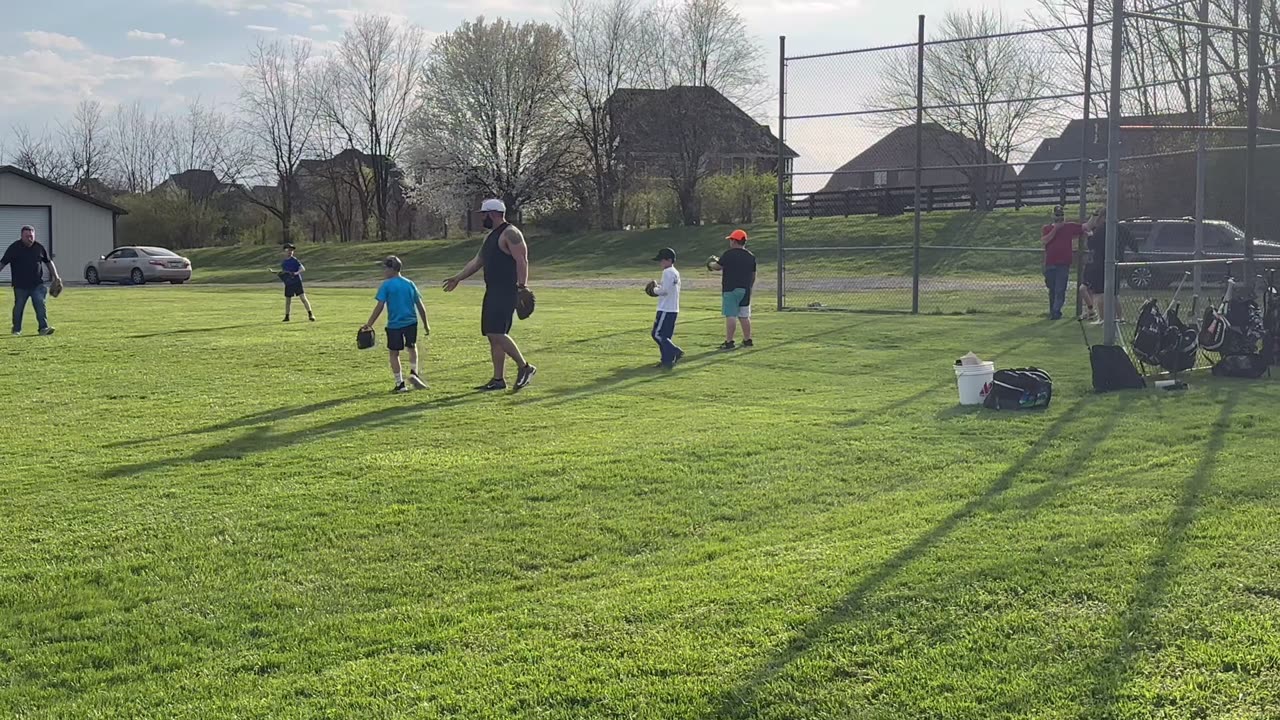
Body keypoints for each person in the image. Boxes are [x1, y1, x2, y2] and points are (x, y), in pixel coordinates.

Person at [442, 198, 536, 392]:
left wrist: (522, 287)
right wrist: (457, 278)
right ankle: (498, 379)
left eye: (483, 215)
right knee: (492, 336)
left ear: (492, 214)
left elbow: (522, 260)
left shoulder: (511, 233)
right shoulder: (491, 237)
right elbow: (477, 261)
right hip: (492, 290)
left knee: (497, 332)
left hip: (506, 290)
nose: (481, 218)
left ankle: (525, 367)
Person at [362, 256, 430, 394]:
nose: (384, 271)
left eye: (385, 268)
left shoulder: (386, 285)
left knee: (394, 353)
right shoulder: (409, 283)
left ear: (392, 269)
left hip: (395, 325)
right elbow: (420, 305)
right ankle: (413, 372)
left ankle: (400, 384)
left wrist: (369, 324)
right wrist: (426, 324)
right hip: (411, 322)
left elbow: (380, 306)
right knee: (412, 346)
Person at [1, 225, 61, 336]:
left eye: (32, 236)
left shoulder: (39, 247)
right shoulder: (14, 248)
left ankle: (43, 328)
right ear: (22, 236)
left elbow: (48, 262)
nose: (30, 238)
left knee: (40, 304)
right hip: (20, 285)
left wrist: (56, 277)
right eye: (27, 236)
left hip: (37, 284)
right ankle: (16, 329)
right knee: (19, 307)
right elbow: (3, 263)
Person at [708, 228, 756, 350]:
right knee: (744, 316)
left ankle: (729, 341)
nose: (730, 242)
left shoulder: (729, 254)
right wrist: (749, 287)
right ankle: (747, 340)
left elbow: (718, 266)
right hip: (745, 289)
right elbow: (753, 275)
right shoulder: (751, 256)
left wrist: (710, 264)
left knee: (731, 315)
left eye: (731, 240)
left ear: (735, 241)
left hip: (730, 289)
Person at [1080, 208, 1129, 325]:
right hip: (1114, 263)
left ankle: (1102, 319)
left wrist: (1090, 236)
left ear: (1103, 218)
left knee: (1100, 294)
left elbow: (1092, 244)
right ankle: (1120, 318)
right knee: (1114, 294)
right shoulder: (1118, 229)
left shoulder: (1102, 229)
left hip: (1100, 265)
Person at [1041, 205, 1086, 320]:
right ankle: (1053, 311)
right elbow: (1045, 240)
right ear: (1053, 216)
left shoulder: (1069, 227)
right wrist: (1056, 228)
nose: (1059, 218)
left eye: (1061, 216)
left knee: (1060, 289)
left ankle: (1056, 311)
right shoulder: (1047, 228)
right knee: (1052, 289)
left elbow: (1085, 227)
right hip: (1050, 264)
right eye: (1057, 215)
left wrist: (1095, 217)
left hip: (1063, 264)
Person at [650, 247, 684, 369]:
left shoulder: (667, 272)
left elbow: (664, 290)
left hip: (665, 308)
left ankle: (675, 351)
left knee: (657, 334)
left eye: (662, 260)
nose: (661, 263)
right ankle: (667, 360)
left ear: (669, 260)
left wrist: (654, 290)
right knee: (665, 336)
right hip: (673, 308)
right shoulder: (675, 272)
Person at [280, 243, 315, 323]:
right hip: (289, 283)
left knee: (303, 298)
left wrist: (296, 273)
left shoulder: (295, 260)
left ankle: (310, 314)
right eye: (288, 250)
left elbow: (303, 268)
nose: (290, 252)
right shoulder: (284, 263)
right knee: (288, 300)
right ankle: (287, 316)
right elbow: (285, 273)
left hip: (296, 282)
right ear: (284, 251)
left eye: (292, 250)